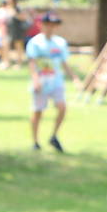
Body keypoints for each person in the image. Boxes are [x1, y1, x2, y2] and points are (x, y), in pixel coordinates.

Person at [26, 13, 80, 152]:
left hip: (56, 81)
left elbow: (64, 62)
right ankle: (35, 142)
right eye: (48, 25)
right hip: (42, 81)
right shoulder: (35, 42)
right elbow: (32, 63)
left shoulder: (60, 43)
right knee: (38, 112)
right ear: (42, 25)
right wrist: (35, 80)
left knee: (62, 108)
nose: (50, 28)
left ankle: (54, 136)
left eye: (53, 25)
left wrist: (74, 78)